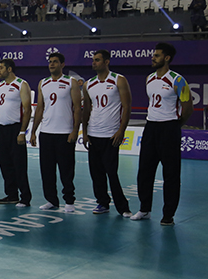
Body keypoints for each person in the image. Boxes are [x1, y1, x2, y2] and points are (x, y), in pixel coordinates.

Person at [131, 43, 193, 225]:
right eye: (154, 54)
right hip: (151, 128)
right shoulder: (149, 78)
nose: (153, 58)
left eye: (157, 55)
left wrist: (175, 124)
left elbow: (188, 107)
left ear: (167, 58)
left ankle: (168, 214)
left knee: (171, 173)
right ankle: (144, 209)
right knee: (144, 171)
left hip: (169, 128)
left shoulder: (177, 80)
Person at [81, 50, 132, 217]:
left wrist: (121, 130)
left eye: (97, 60)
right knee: (96, 173)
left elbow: (126, 107)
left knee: (112, 172)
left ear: (107, 62)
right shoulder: (88, 84)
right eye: (93, 60)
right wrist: (86, 132)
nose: (93, 63)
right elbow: (87, 109)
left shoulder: (119, 80)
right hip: (94, 134)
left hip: (111, 135)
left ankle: (123, 207)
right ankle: (102, 202)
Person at [30, 53, 82, 213]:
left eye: (55, 62)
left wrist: (75, 130)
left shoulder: (70, 82)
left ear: (62, 65)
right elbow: (39, 108)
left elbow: (77, 108)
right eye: (50, 62)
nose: (52, 64)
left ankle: (69, 201)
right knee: (47, 170)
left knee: (66, 169)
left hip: (64, 133)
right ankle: (51, 200)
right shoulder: (43, 83)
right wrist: (33, 131)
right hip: (46, 133)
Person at [0, 59, 32, 207]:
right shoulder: (1, 86)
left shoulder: (21, 84)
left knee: (19, 164)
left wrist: (22, 131)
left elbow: (27, 109)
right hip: (2, 129)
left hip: (15, 128)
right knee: (4, 163)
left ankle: (25, 197)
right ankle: (11, 195)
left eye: (1, 68)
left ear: (9, 69)